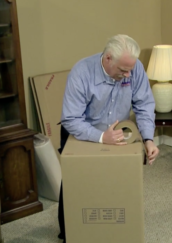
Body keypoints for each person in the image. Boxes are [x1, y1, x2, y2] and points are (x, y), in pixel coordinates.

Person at [57, 34, 159, 243]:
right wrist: (102, 137)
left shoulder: (134, 68)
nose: (128, 74)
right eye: (123, 70)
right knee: (76, 185)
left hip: (117, 132)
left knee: (114, 183)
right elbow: (71, 118)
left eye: (130, 69)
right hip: (82, 133)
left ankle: (114, 231)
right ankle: (70, 233)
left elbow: (144, 104)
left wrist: (148, 139)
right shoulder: (81, 72)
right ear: (108, 58)